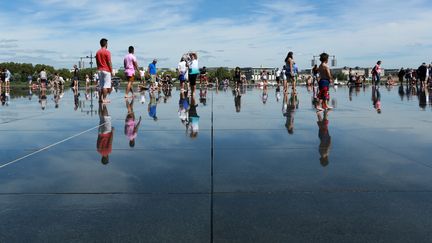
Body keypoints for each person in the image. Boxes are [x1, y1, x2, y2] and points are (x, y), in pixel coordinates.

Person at [95, 38, 113, 104]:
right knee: (106, 86)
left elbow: (97, 62)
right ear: (106, 44)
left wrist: (98, 68)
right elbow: (109, 62)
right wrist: (111, 70)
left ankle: (100, 99)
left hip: (99, 70)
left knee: (101, 85)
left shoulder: (97, 52)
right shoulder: (107, 52)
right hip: (106, 70)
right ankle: (104, 99)